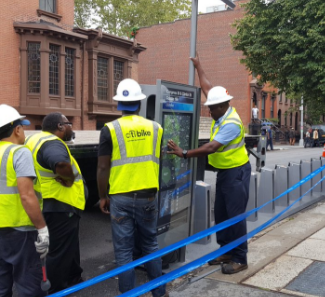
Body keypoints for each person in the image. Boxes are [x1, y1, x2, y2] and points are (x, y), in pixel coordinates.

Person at [168, 55, 251, 275]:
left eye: (211, 109)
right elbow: (207, 86)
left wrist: (184, 153)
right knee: (222, 214)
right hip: (225, 173)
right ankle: (226, 250)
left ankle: (240, 258)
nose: (208, 111)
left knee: (235, 216)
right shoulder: (220, 111)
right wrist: (199, 66)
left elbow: (210, 148)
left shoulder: (231, 124)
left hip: (236, 173)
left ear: (223, 106)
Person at [96, 78, 167, 296]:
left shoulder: (110, 129)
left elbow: (102, 167)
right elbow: (158, 160)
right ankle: (160, 293)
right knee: (150, 245)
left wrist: (102, 197)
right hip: (148, 195)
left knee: (124, 251)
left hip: (121, 197)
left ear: (119, 104)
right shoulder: (156, 128)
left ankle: (128, 294)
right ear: (139, 103)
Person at [0, 104, 48, 296]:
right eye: (23, 127)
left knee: (0, 285)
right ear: (17, 129)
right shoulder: (20, 152)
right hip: (20, 231)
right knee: (29, 286)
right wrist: (42, 229)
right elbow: (26, 195)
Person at [24, 112, 85, 293]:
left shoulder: (33, 140)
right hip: (60, 204)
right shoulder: (51, 142)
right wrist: (70, 178)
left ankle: (74, 278)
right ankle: (57, 290)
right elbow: (60, 163)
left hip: (47, 203)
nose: (71, 128)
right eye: (69, 124)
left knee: (69, 247)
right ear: (60, 126)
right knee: (58, 254)